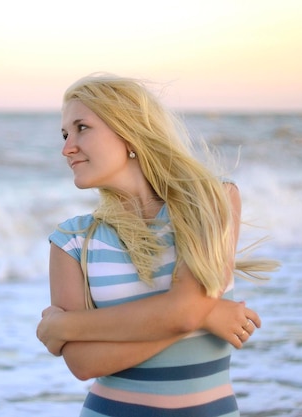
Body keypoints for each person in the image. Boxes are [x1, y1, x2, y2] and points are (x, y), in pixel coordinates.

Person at [36, 73, 279, 416]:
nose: (67, 147)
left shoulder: (211, 201)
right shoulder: (72, 241)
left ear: (129, 130)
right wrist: (204, 315)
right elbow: (83, 362)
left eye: (82, 128)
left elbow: (182, 313)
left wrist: (63, 326)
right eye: (64, 134)